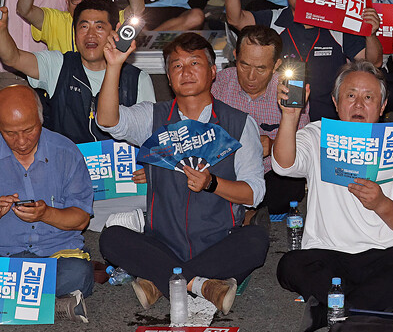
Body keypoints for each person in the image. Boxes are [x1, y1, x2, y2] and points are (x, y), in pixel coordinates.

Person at [98, 33, 269, 314]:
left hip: (218, 242)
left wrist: (212, 183)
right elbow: (108, 121)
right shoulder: (153, 117)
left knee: (256, 240)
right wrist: (114, 65)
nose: (186, 71)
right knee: (111, 238)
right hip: (163, 241)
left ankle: (160, 279)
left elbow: (254, 193)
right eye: (177, 65)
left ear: (213, 72)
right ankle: (203, 285)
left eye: (194, 63)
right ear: (168, 77)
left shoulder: (238, 123)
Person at [273, 61, 393, 329]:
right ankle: (372, 306)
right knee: (290, 265)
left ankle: (340, 309)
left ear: (383, 106)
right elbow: (284, 165)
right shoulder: (317, 135)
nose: (359, 104)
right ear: (335, 102)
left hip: (384, 254)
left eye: (369, 97)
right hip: (329, 255)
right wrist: (290, 117)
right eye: (350, 95)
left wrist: (382, 204)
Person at [0, 85, 94, 322]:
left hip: (53, 256)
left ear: (40, 119)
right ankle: (54, 305)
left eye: (29, 130)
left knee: (79, 273)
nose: (21, 141)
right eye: (10, 133)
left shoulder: (66, 152)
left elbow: (81, 219)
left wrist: (46, 214)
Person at [219, 0, 381, 123]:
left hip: (325, 123)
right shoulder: (273, 20)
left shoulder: (338, 25)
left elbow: (373, 63)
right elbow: (236, 19)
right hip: (276, 120)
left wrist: (370, 34)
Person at [0, 0, 154, 143]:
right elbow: (13, 58)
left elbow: (150, 134)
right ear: (74, 32)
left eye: (99, 27)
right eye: (84, 27)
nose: (90, 35)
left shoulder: (138, 79)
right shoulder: (58, 64)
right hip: (67, 164)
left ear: (115, 30)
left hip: (118, 166)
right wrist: (0, 29)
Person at [211, 25, 309, 217]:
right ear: (235, 56)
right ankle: (248, 210)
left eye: (261, 69)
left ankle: (246, 210)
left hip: (270, 172)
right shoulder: (218, 85)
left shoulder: (290, 91)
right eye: (244, 65)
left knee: (291, 184)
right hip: (228, 168)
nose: (251, 77)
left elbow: (303, 149)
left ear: (276, 65)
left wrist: (272, 145)